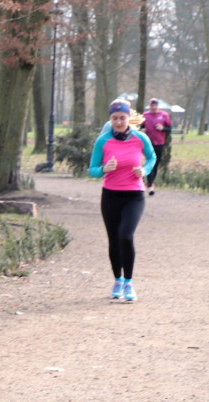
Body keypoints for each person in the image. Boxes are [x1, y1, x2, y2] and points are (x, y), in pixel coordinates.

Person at [89, 99, 156, 302]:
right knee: (113, 239)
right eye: (114, 118)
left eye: (122, 118)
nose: (118, 122)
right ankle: (117, 280)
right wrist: (103, 169)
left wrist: (144, 170)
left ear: (129, 118)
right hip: (110, 195)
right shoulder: (103, 141)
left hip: (134, 195)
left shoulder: (140, 138)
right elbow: (91, 169)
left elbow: (152, 158)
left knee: (125, 236)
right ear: (110, 119)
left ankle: (129, 282)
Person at [139, 98, 172, 195]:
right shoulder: (145, 115)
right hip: (148, 143)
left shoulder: (164, 115)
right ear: (150, 106)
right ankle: (150, 185)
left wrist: (163, 128)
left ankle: (148, 181)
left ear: (158, 106)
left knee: (155, 164)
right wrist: (142, 130)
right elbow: (139, 127)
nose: (154, 107)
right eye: (152, 105)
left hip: (160, 143)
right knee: (149, 161)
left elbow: (169, 129)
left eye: (155, 105)